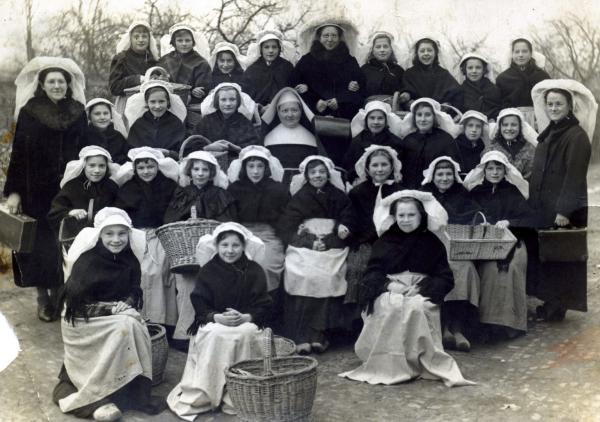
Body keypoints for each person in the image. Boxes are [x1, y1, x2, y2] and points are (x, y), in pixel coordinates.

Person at [338, 190, 473, 386]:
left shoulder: (432, 242)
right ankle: (389, 362)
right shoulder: (384, 242)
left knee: (417, 307)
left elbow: (445, 278)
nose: (406, 220)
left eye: (411, 215)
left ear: (421, 216)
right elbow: (371, 274)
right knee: (392, 306)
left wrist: (421, 288)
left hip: (421, 291)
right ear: (394, 217)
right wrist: (389, 285)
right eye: (401, 215)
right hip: (389, 290)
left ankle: (417, 361)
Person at [53, 207, 164, 421]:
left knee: (132, 324)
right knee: (127, 324)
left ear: (129, 235)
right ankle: (96, 397)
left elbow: (134, 289)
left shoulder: (130, 259)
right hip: (84, 321)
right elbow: (75, 306)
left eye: (122, 234)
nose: (116, 240)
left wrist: (126, 303)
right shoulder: (88, 262)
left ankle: (130, 391)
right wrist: (111, 309)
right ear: (100, 235)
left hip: (115, 316)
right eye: (109, 234)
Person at [4, 57, 87, 322]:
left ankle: (61, 295)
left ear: (68, 85)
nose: (56, 86)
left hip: (69, 189)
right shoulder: (30, 111)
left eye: (61, 81)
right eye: (51, 81)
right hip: (35, 190)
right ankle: (43, 298)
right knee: (38, 246)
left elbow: (85, 150)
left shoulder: (78, 111)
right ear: (42, 85)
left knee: (65, 242)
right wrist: (14, 192)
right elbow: (19, 153)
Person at [167, 222, 272, 419]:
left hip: (246, 323)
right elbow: (200, 303)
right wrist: (216, 317)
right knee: (214, 334)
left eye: (235, 245)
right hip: (215, 322)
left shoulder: (254, 270)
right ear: (217, 246)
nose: (230, 250)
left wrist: (247, 316)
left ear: (244, 246)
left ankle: (237, 396)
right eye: (225, 245)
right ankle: (208, 393)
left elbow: (264, 304)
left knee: (246, 333)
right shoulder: (208, 270)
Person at [527, 79, 596, 321]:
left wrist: (564, 211)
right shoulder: (550, 133)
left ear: (569, 107)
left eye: (559, 104)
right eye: (550, 104)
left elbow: (574, 176)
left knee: (562, 257)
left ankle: (557, 307)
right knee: (549, 256)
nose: (554, 108)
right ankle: (551, 303)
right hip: (545, 206)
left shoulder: (576, 136)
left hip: (563, 209)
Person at [278, 156, 355, 354]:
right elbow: (287, 225)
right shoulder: (299, 197)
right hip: (304, 244)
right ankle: (300, 334)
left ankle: (319, 334)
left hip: (332, 244)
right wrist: (308, 241)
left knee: (328, 276)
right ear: (306, 175)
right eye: (313, 172)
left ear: (328, 174)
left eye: (321, 171)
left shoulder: (339, 196)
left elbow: (348, 218)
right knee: (302, 274)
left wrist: (341, 229)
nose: (318, 175)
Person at [164, 151, 238, 341]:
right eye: (196, 169)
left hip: (213, 249)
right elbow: (170, 219)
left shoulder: (220, 194)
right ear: (189, 171)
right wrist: (186, 222)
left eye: (205, 170)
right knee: (187, 288)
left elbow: (228, 222)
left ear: (212, 173)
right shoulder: (182, 193)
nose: (200, 173)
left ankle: (211, 331)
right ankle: (186, 334)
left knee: (212, 288)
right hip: (186, 250)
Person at [463, 151, 533, 340]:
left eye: (499, 168)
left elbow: (528, 218)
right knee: (490, 269)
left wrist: (510, 222)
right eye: (491, 168)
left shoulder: (513, 191)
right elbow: (469, 217)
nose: (495, 172)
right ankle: (488, 324)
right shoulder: (476, 193)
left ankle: (510, 324)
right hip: (484, 246)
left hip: (514, 242)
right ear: (484, 171)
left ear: (505, 170)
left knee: (511, 268)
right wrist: (481, 224)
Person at [114, 147, 180, 327]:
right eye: (141, 168)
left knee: (161, 274)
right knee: (140, 273)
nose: (146, 171)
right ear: (135, 169)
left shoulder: (168, 185)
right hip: (136, 236)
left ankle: (162, 320)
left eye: (150, 167)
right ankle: (138, 318)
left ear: (158, 166)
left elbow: (175, 211)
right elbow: (121, 214)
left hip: (162, 235)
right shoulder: (128, 188)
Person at [421, 156, 480, 351]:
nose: (444, 178)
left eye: (448, 174)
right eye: (440, 174)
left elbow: (474, 216)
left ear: (454, 176)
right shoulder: (425, 195)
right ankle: (444, 327)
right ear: (433, 176)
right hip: (430, 245)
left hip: (456, 244)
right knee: (440, 270)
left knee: (465, 268)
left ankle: (457, 328)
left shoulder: (461, 194)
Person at [345, 145, 404, 306]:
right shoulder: (357, 192)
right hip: (365, 241)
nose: (379, 169)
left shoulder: (400, 192)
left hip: (394, 241)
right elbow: (351, 217)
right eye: (375, 165)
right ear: (367, 168)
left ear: (392, 166)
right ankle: (358, 310)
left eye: (384, 164)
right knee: (358, 267)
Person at [227, 146, 289, 296]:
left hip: (269, 236)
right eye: (251, 166)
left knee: (265, 266)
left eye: (260, 166)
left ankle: (265, 304)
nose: (255, 171)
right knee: (237, 267)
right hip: (241, 235)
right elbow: (230, 217)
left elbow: (286, 218)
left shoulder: (278, 189)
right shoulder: (235, 189)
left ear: (266, 168)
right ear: (244, 167)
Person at [291, 21, 364, 120]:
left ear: (339, 38)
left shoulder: (350, 61)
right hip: (313, 114)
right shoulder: (306, 60)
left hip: (342, 115)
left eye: (334, 35)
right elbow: (294, 84)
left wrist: (340, 101)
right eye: (326, 35)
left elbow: (360, 88)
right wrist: (314, 102)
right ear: (319, 37)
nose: (330, 39)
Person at [48, 146, 121, 234]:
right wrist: (70, 212)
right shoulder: (72, 186)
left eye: (102, 166)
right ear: (84, 166)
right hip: (76, 234)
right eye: (92, 165)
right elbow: (55, 214)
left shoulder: (111, 186)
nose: (97, 170)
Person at [261, 87, 325, 183]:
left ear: (301, 111)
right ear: (278, 112)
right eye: (285, 111)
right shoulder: (268, 137)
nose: (290, 115)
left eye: (294, 110)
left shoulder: (311, 137)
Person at [397, 97, 460, 188]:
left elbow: (454, 170)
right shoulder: (408, 140)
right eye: (419, 115)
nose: (423, 119)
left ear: (434, 117)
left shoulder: (446, 140)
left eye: (427, 115)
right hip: (410, 188)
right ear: (414, 118)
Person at [192, 82, 260, 161]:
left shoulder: (244, 122)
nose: (228, 104)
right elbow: (191, 145)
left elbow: (253, 148)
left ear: (238, 101)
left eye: (232, 99)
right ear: (217, 101)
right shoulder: (207, 121)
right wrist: (208, 147)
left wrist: (236, 148)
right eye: (223, 100)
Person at [125, 80, 187, 159]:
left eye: (161, 101)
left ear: (168, 102)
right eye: (153, 102)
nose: (157, 106)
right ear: (147, 103)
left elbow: (182, 152)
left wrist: (168, 153)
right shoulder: (139, 124)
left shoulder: (176, 123)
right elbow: (130, 150)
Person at [344, 100, 403, 183]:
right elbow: (348, 166)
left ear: (386, 121)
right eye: (372, 118)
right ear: (366, 120)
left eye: (380, 118)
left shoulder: (395, 142)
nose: (376, 122)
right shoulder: (357, 141)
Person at [495, 38, 550, 126]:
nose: (520, 55)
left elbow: (548, 100)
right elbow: (498, 104)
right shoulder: (502, 78)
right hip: (511, 120)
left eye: (524, 51)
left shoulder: (542, 76)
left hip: (538, 119)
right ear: (512, 54)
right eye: (517, 52)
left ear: (531, 53)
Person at [109, 21, 159, 115]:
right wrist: (137, 79)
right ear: (130, 39)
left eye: (144, 36)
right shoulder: (121, 58)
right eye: (136, 37)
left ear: (149, 39)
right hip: (127, 105)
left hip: (151, 107)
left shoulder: (153, 60)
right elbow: (114, 87)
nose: (141, 40)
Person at [158, 23, 211, 104]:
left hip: (190, 101)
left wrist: (196, 91)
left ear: (193, 42)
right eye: (180, 40)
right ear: (174, 42)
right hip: (165, 101)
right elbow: (156, 76)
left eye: (187, 40)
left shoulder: (201, 63)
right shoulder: (165, 59)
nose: (184, 44)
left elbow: (204, 86)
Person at [401, 37, 461, 108]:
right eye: (422, 51)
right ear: (417, 54)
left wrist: (448, 104)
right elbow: (405, 92)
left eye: (429, 50)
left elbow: (456, 92)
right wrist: (407, 98)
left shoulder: (443, 74)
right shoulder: (410, 74)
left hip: (439, 111)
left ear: (435, 53)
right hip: (416, 111)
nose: (426, 53)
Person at [242, 29, 296, 108]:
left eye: (274, 47)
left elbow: (292, 89)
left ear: (279, 49)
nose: (270, 51)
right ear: (261, 49)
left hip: (283, 107)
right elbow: (246, 94)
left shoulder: (287, 66)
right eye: (266, 47)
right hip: (258, 109)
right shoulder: (252, 69)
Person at [485, 108, 537, 179]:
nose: (509, 128)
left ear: (520, 127)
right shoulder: (491, 149)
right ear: (500, 127)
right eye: (505, 125)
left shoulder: (530, 149)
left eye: (514, 125)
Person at [360, 31, 406, 103]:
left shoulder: (398, 70)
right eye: (378, 47)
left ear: (391, 49)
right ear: (372, 50)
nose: (382, 50)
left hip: (394, 106)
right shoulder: (365, 69)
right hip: (371, 106)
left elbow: (404, 90)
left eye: (385, 46)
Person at [81, 98, 129, 164]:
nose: (102, 117)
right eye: (97, 114)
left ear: (111, 115)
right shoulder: (83, 137)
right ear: (89, 117)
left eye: (106, 113)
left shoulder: (118, 136)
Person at [456, 53, 502, 120]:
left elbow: (498, 111)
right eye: (470, 68)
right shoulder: (460, 91)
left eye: (478, 68)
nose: (474, 71)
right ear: (464, 70)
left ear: (484, 70)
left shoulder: (493, 89)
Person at [455, 110, 489, 176]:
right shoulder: (457, 145)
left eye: (478, 126)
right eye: (470, 125)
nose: (474, 130)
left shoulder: (480, 146)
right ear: (464, 128)